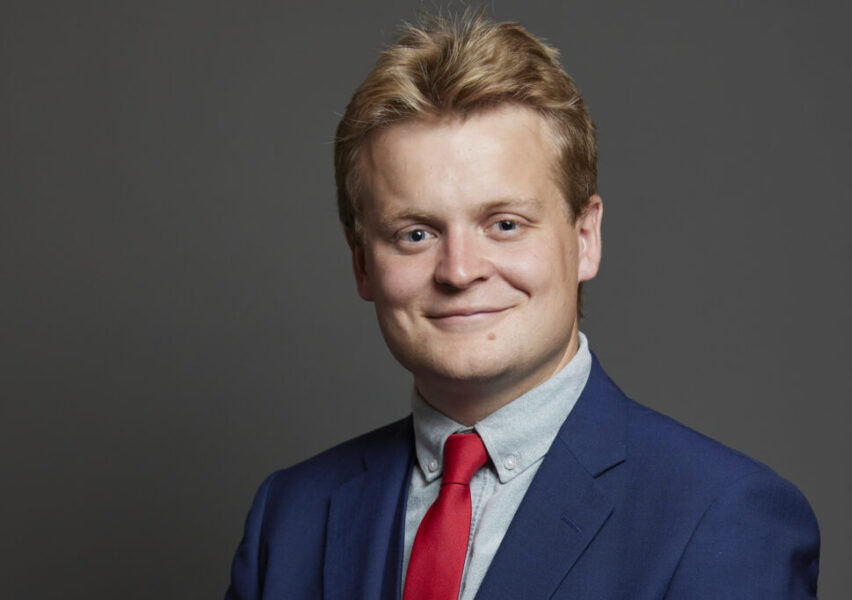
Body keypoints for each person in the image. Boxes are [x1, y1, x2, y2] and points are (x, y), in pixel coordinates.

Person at [226, 13, 819, 600]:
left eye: (504, 224)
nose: (460, 271)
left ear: (585, 238)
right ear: (362, 263)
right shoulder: (291, 516)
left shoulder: (723, 517)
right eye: (415, 234)